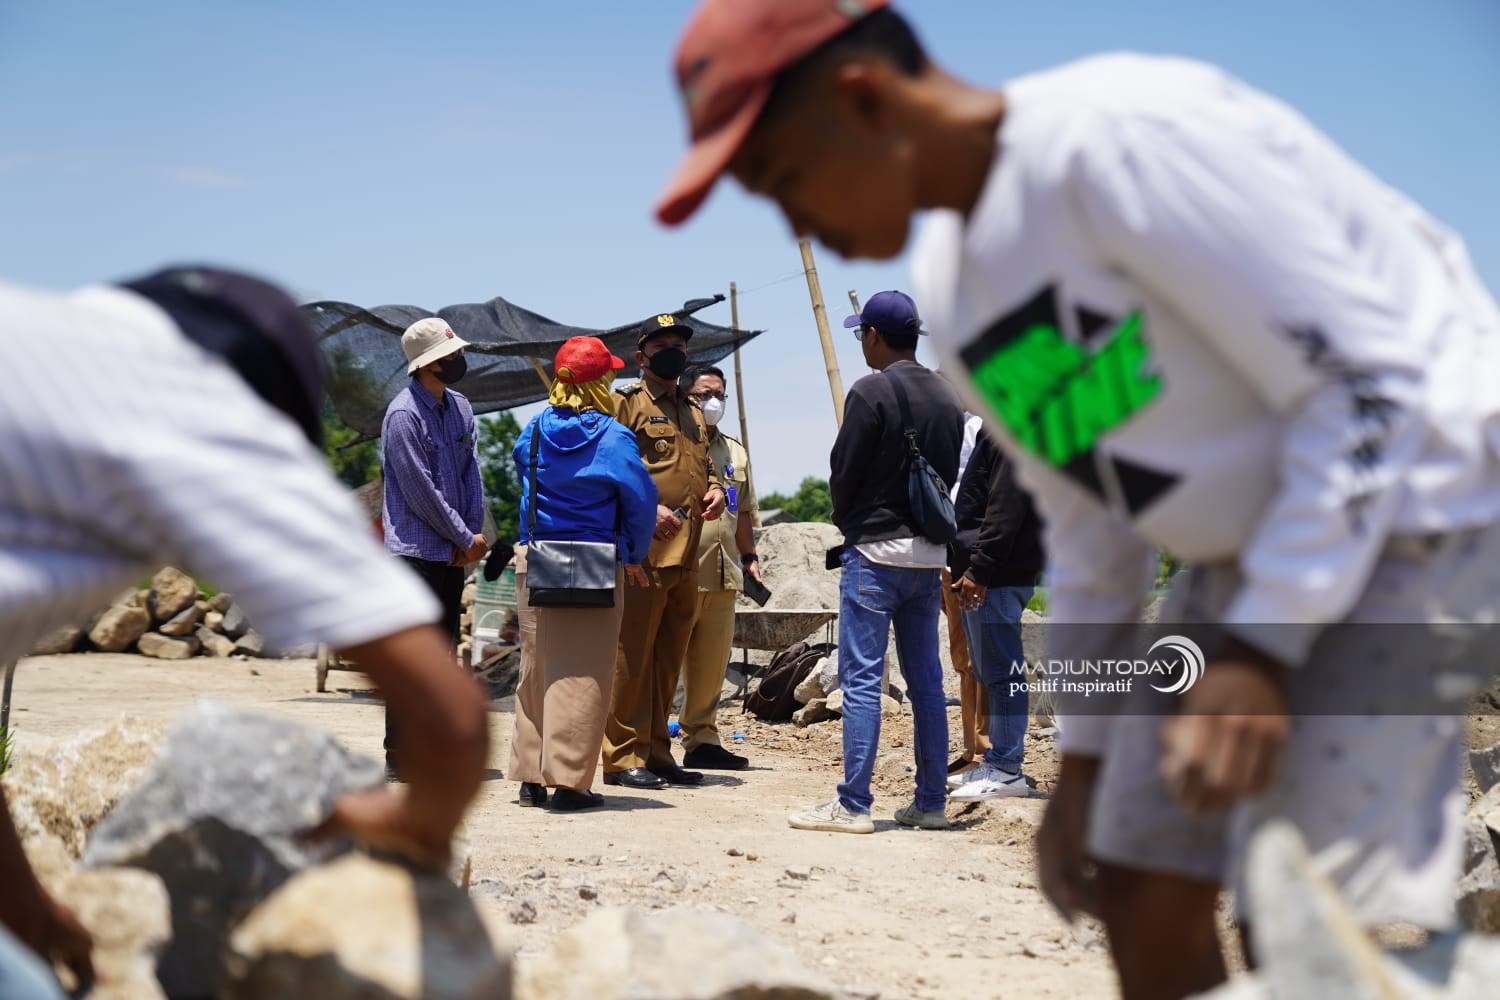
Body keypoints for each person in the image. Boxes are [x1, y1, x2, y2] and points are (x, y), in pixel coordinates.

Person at [654, 3, 1500, 997]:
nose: (798, 221)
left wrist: (1265, 652)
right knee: (1139, 882)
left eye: (785, 178)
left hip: (1422, 502)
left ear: (862, 97)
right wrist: (1088, 766)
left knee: (1295, 902)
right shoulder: (967, 289)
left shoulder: (1123, 142)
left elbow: (1371, 393)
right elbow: (1094, 517)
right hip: (1261, 554)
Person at [0, 269, 489, 995]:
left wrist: (33, 913)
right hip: (421, 547)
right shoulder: (205, 417)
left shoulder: (44, 339)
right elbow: (453, 720)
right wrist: (409, 824)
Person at [787, 289, 963, 835]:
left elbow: (844, 471)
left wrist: (852, 524)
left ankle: (854, 805)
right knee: (927, 682)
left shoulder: (869, 390)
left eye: (861, 333)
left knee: (862, 679)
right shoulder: (947, 394)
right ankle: (930, 802)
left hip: (874, 554)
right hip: (927, 556)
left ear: (874, 335)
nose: (862, 342)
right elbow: (948, 471)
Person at [508, 337, 657, 811]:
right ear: (600, 383)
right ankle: (570, 785)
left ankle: (531, 778)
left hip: (535, 561)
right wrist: (632, 554)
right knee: (583, 673)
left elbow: (525, 485)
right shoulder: (614, 438)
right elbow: (641, 502)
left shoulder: (532, 431)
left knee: (535, 671)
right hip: (594, 564)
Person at [603, 315, 727, 790]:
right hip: (643, 554)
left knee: (666, 660)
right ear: (641, 357)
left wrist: (716, 490)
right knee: (631, 658)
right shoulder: (626, 403)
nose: (674, 352)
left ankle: (657, 752)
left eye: (680, 345)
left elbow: (705, 465)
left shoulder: (692, 410)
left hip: (687, 554)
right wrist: (644, 508)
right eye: (663, 346)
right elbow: (608, 469)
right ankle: (621, 756)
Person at [379, 316, 487, 778]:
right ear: (428, 364)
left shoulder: (460, 407)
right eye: (451, 355)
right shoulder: (403, 415)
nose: (459, 359)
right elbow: (420, 491)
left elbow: (471, 473)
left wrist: (472, 536)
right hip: (415, 554)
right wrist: (464, 538)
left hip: (452, 554)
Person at [946, 423, 1045, 801]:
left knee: (1002, 674)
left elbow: (1006, 502)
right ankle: (999, 763)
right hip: (992, 573)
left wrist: (981, 567)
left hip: (995, 576)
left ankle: (1005, 768)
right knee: (992, 671)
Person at [678, 363, 761, 771]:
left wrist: (750, 558)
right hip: (676, 570)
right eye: (703, 395)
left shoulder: (734, 451)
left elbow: (741, 511)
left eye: (719, 395)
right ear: (683, 396)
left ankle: (702, 740)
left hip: (723, 571)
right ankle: (646, 741)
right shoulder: (672, 444)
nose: (713, 402)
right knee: (661, 663)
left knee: (711, 666)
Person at [940, 410, 985, 773]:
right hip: (946, 556)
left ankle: (988, 752)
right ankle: (971, 751)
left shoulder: (984, 426)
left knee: (984, 659)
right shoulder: (940, 423)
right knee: (963, 659)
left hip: (976, 557)